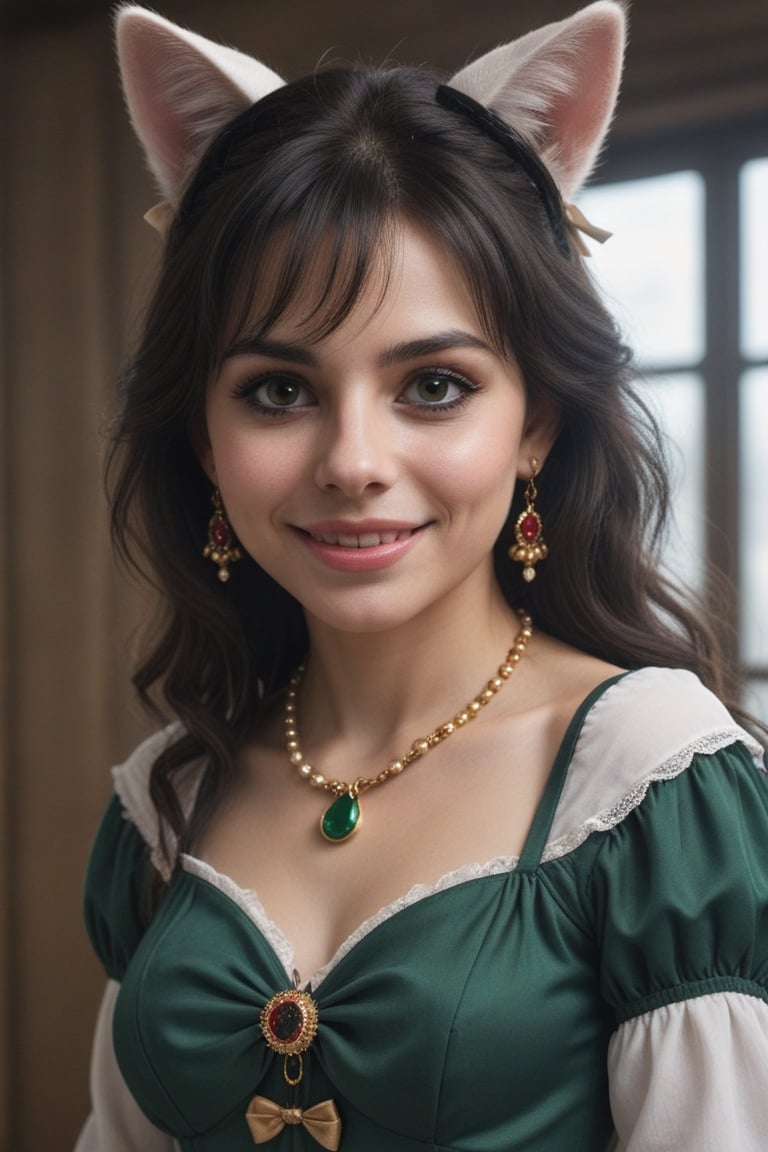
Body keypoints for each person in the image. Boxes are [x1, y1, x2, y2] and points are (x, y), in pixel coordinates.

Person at [76, 3, 768, 1150]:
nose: (353, 463)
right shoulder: (169, 802)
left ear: (537, 421)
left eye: (434, 386)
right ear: (203, 436)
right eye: (278, 390)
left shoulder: (651, 787)